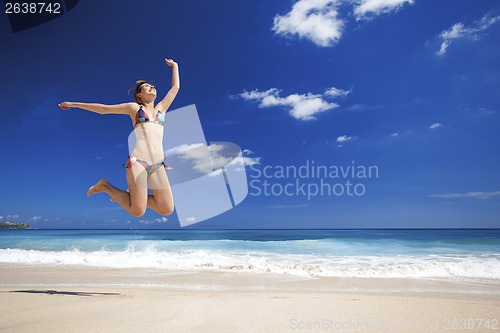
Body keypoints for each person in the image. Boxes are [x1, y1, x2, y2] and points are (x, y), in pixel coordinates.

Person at [59, 59, 180, 217]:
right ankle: (105, 186)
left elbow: (175, 87)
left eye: (153, 86)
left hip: (158, 165)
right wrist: (74, 104)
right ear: (139, 95)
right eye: (147, 87)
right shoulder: (135, 108)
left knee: (166, 209)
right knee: (138, 211)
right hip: (139, 162)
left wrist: (175, 66)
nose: (152, 87)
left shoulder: (161, 109)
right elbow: (103, 109)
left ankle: (130, 195)